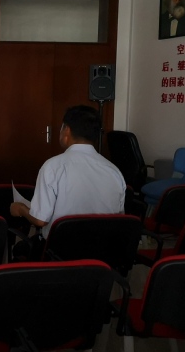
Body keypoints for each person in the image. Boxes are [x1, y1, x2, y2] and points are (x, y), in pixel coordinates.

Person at [9, 106, 126, 256]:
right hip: (102, 254)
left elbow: (40, 220)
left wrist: (20, 209)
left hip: (60, 253)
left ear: (67, 130)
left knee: (21, 249)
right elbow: (119, 218)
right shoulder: (114, 171)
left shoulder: (53, 166)